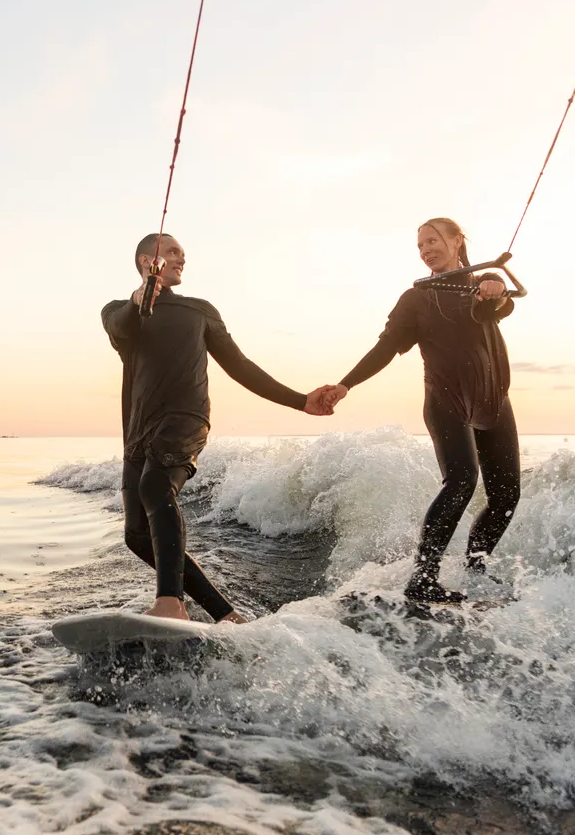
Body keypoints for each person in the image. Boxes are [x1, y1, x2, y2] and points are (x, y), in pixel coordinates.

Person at [102, 233, 336, 623]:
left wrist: (300, 400)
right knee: (136, 534)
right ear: (147, 260)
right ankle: (225, 614)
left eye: (183, 253)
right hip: (138, 432)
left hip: (186, 418)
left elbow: (240, 367)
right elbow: (123, 327)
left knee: (155, 487)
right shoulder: (117, 310)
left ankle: (170, 602)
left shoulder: (200, 311)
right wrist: (142, 295)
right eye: (173, 251)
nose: (182, 258)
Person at [325, 217, 520, 604]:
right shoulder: (416, 299)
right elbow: (385, 347)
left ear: (456, 241)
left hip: (493, 399)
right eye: (420, 246)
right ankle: (423, 578)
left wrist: (494, 290)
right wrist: (345, 384)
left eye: (432, 241)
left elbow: (494, 309)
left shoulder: (481, 287)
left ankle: (476, 568)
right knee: (462, 480)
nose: (426, 250)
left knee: (506, 495)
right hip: (446, 400)